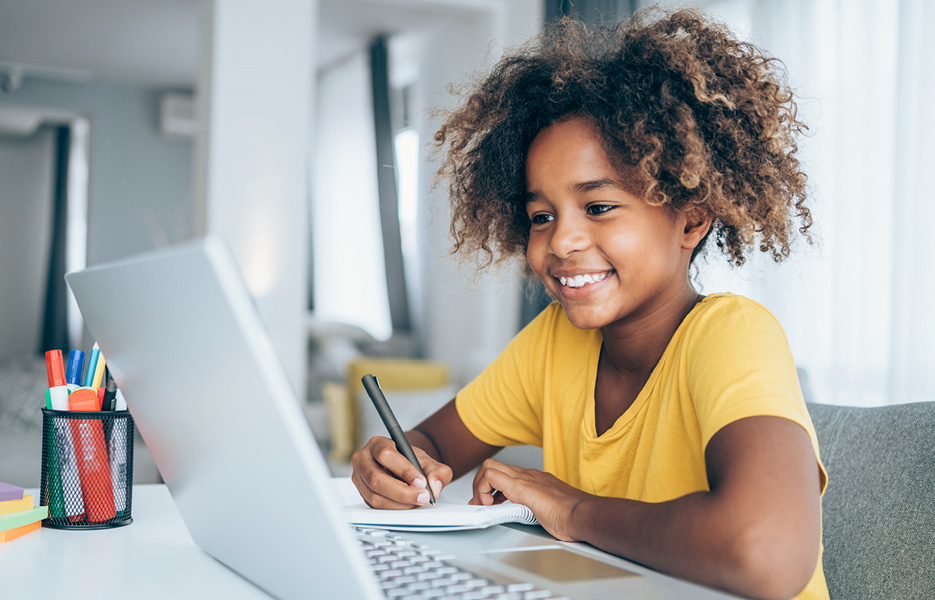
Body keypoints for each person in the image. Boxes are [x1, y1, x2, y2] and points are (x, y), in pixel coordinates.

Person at [351, 8, 828, 600]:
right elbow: (434, 445)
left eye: (598, 207)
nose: (562, 241)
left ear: (692, 219)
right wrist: (394, 464)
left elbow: (768, 552)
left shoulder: (732, 336)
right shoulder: (555, 342)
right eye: (541, 217)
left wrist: (573, 509)